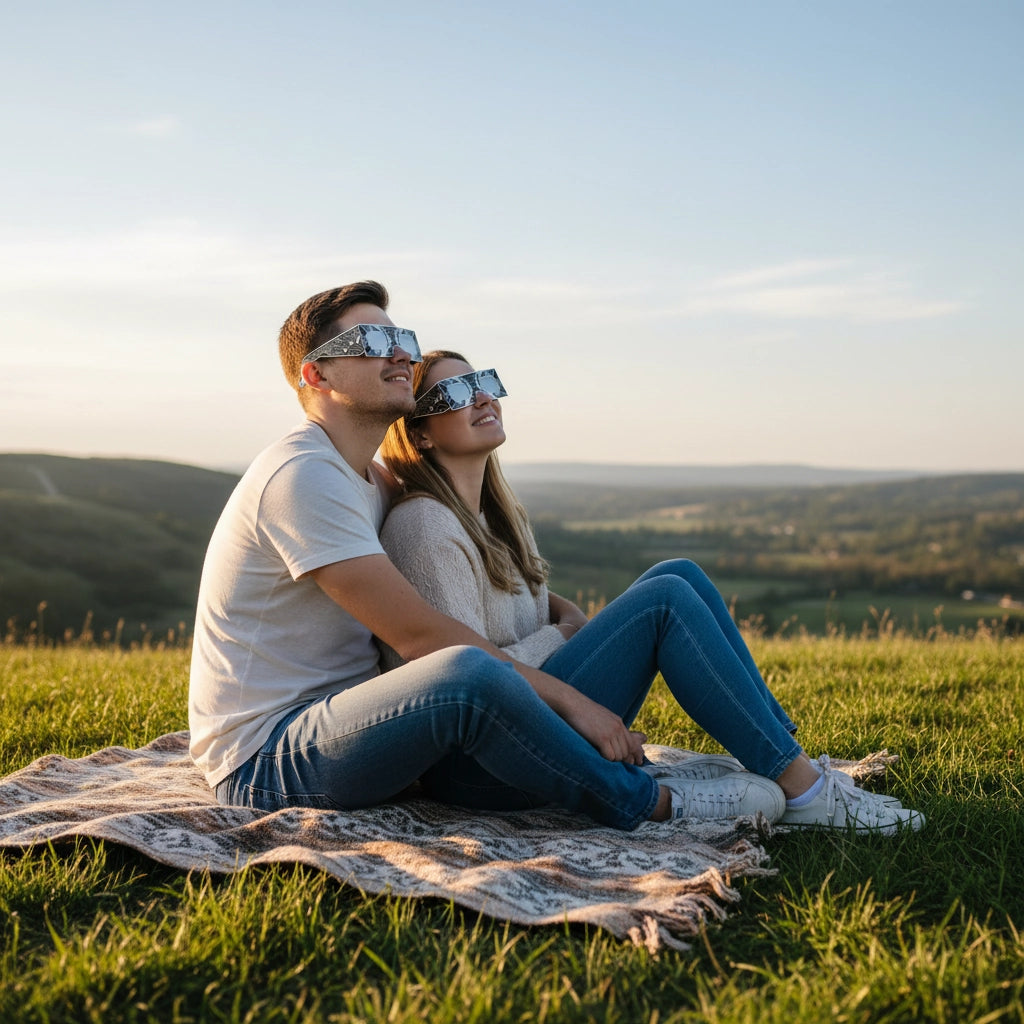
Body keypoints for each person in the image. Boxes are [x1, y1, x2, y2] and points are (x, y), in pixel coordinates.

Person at [189, 280, 792, 830]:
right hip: (267, 757)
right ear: (315, 376)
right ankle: (650, 802)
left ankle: (789, 758)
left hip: (352, 722)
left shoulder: (369, 480)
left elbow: (469, 536)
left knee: (671, 578)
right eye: (372, 339)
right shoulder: (302, 478)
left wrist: (560, 609)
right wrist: (575, 701)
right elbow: (426, 638)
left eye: (401, 338)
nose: (400, 353)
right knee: (461, 668)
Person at [376, 349, 926, 834]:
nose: (479, 398)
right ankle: (806, 793)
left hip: (530, 723)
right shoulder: (425, 526)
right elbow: (466, 673)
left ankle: (783, 756)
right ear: (420, 432)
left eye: (483, 383)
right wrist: (563, 636)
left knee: (680, 571)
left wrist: (566, 623)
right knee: (665, 601)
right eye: (453, 393)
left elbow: (538, 607)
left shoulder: (491, 516)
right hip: (481, 767)